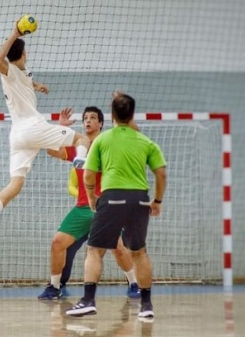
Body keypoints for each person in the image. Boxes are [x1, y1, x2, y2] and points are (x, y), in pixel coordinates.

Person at [0, 19, 91, 245]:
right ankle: (80, 161)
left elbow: (26, 80)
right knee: (82, 138)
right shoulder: (9, 71)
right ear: (24, 53)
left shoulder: (23, 72)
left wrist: (37, 85)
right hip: (32, 127)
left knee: (15, 184)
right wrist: (14, 33)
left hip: (18, 136)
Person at [66, 93, 167, 320]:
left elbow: (89, 175)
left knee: (94, 251)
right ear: (132, 115)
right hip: (140, 199)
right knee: (139, 252)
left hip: (111, 198)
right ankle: (147, 305)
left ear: (110, 117)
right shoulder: (145, 141)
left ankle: (88, 300)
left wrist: (92, 198)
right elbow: (160, 173)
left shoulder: (102, 139)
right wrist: (157, 201)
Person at [37, 107, 140, 300]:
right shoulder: (79, 146)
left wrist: (121, 108)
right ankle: (55, 287)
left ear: (101, 123)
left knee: (117, 246)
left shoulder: (109, 143)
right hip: (82, 207)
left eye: (93, 118)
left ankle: (134, 284)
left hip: (105, 206)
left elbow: (134, 134)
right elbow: (51, 151)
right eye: (85, 118)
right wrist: (60, 128)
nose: (88, 121)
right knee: (58, 243)